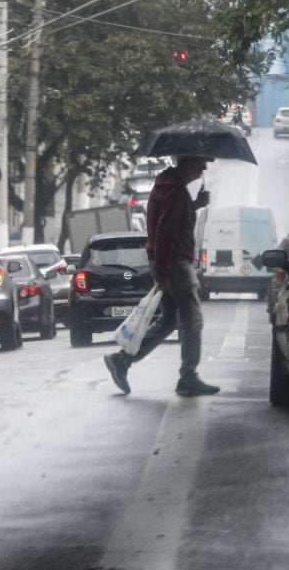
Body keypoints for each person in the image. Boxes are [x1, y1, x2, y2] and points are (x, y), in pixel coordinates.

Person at [104, 155, 220, 397]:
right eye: (200, 163)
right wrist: (165, 271)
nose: (203, 168)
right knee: (192, 321)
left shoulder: (169, 188)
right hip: (177, 264)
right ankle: (188, 376)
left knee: (169, 319)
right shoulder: (175, 192)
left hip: (167, 263)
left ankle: (122, 360)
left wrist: (195, 204)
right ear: (187, 163)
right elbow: (165, 232)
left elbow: (169, 224)